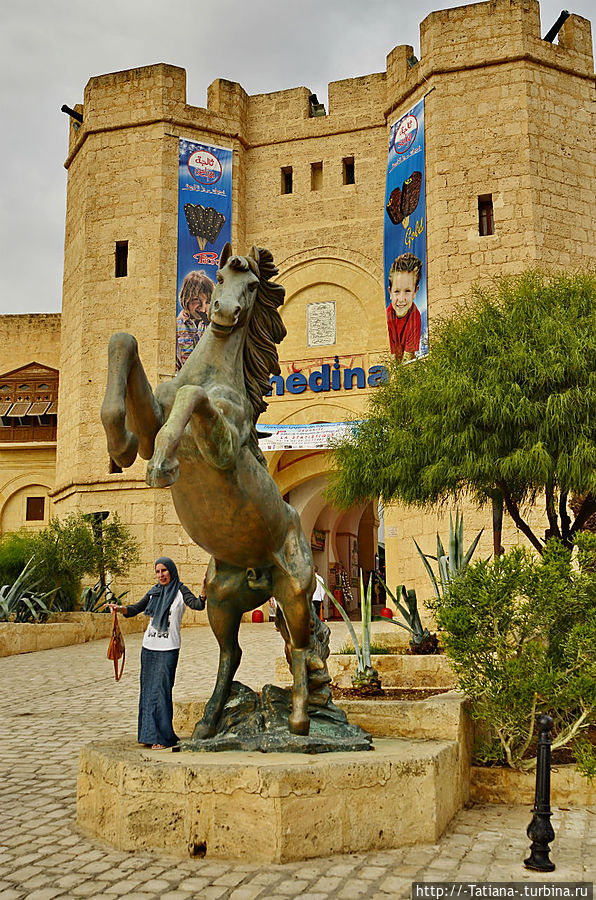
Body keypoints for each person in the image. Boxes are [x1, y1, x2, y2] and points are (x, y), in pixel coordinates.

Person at [109, 557, 205, 749]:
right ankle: (147, 735)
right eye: (158, 571)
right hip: (149, 647)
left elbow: (197, 605)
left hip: (168, 648)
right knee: (147, 690)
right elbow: (136, 608)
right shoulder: (154, 592)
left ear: (171, 570)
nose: (161, 575)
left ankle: (162, 737)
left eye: (164, 571)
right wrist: (119, 609)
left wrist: (204, 591)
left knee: (162, 690)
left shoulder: (180, 590)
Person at [386, 252, 422, 362]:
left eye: (407, 291)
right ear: (390, 292)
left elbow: (407, 360)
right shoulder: (387, 316)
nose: (401, 299)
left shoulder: (415, 316)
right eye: (397, 291)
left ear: (415, 292)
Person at [176, 270, 214, 370]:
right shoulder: (175, 326)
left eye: (207, 302)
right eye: (196, 300)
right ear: (186, 298)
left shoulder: (212, 325)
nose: (202, 308)